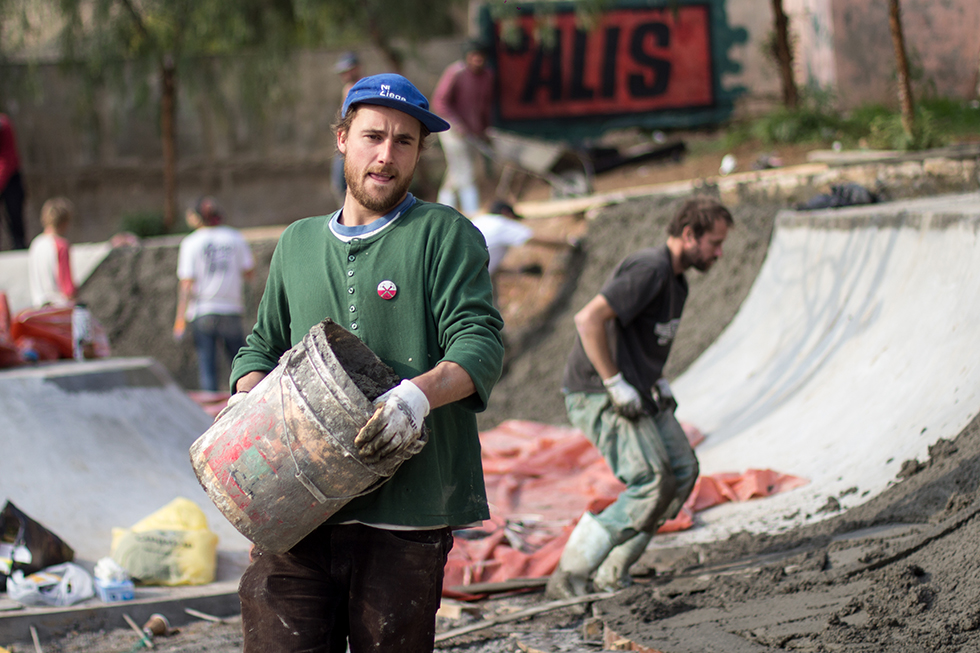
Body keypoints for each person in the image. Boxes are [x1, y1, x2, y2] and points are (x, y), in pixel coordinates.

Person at [230, 73, 504, 652]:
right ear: (341, 139)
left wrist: (417, 396)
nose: (386, 155)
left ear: (419, 153)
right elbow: (261, 346)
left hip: (406, 515)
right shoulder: (297, 244)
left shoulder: (443, 234)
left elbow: (478, 343)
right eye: (372, 136)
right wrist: (248, 401)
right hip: (298, 513)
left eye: (404, 141)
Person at [548, 196, 733, 599]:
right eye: (714, 243)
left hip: (638, 389)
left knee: (681, 471)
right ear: (689, 235)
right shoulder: (650, 268)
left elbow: (640, 340)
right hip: (596, 390)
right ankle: (568, 577)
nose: (719, 253)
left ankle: (613, 574)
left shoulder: (677, 282)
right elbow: (589, 319)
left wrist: (657, 380)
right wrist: (614, 383)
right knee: (651, 481)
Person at [173, 196, 255, 392]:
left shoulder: (191, 242)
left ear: (197, 217)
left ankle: (211, 415)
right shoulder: (235, 237)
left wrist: (180, 320)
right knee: (240, 365)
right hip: (231, 308)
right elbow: (249, 271)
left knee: (208, 367)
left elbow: (186, 284)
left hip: (203, 310)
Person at [432, 39, 495, 216]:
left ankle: (441, 211)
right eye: (474, 56)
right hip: (452, 131)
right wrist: (456, 124)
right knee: (466, 170)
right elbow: (440, 102)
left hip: (471, 132)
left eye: (480, 56)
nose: (477, 60)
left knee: (455, 171)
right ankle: (472, 213)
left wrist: (484, 129)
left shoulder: (487, 76)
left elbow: (485, 106)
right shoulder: (455, 73)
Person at [472, 199, 578, 279]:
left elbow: (487, 268)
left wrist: (520, 270)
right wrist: (570, 244)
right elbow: (535, 239)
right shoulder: (500, 224)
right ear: (506, 213)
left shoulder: (479, 222)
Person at [27, 197, 77, 307]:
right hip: (58, 307)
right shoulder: (61, 245)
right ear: (65, 222)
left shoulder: (35, 244)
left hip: (39, 307)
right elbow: (67, 288)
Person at [331, 51, 363, 205]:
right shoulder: (348, 88)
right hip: (346, 139)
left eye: (347, 70)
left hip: (354, 142)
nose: (344, 75)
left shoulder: (360, 88)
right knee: (339, 183)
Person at [0, 112, 26, 250]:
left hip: (10, 178)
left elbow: (7, 158)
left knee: (14, 213)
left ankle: (19, 245)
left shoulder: (4, 124)